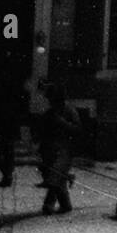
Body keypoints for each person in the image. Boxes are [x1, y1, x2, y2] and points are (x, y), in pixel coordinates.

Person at [38, 82, 81, 215]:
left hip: (65, 150)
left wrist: (62, 123)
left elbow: (77, 129)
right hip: (50, 150)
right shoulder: (49, 113)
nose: (51, 103)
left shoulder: (70, 111)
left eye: (53, 100)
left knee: (55, 176)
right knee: (54, 176)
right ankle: (65, 204)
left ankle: (48, 204)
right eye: (50, 100)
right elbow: (43, 132)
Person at [0, 83, 24, 188]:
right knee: (2, 157)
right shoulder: (4, 107)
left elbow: (12, 122)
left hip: (6, 135)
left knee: (4, 157)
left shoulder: (9, 107)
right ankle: (7, 176)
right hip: (4, 135)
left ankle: (7, 177)